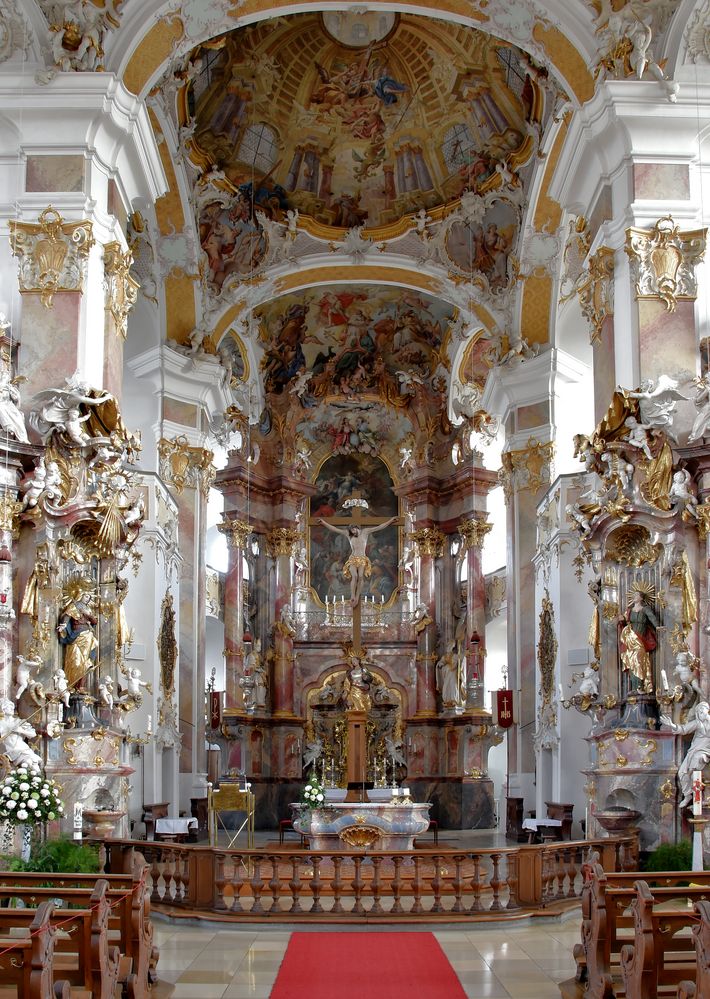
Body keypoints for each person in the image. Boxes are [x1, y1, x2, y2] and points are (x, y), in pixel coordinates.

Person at [318, 515, 397, 606]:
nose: (353, 532)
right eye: (351, 531)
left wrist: (390, 521)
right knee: (354, 576)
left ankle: (357, 596)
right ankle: (353, 596)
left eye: (354, 530)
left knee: (360, 577)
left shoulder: (365, 532)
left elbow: (379, 527)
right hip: (353, 558)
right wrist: (324, 523)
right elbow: (335, 529)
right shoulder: (349, 534)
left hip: (362, 559)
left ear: (357, 528)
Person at [661, 700, 710, 808]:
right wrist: (671, 725)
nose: (700, 713)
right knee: (682, 772)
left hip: (705, 751)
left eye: (702, 711)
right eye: (698, 712)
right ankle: (688, 795)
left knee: (696, 763)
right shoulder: (697, 723)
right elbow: (683, 729)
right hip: (694, 750)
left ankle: (698, 797)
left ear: (707, 710)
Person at [57, 577, 98, 690]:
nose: (88, 599)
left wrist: (88, 615)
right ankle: (71, 684)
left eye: (89, 597)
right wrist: (64, 625)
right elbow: (67, 616)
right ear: (80, 595)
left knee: (86, 661)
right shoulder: (74, 606)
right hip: (76, 635)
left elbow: (95, 621)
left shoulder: (88, 609)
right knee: (75, 660)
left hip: (88, 635)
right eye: (86, 596)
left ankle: (81, 686)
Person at [618, 583, 658, 693]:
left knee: (639, 661)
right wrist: (621, 620)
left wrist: (658, 627)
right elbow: (625, 622)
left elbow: (652, 618)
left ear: (641, 598)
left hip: (640, 640)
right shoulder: (629, 610)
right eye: (633, 595)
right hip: (630, 639)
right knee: (631, 662)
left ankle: (640, 686)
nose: (634, 597)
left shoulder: (645, 609)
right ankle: (635, 688)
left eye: (636, 595)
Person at [437, 642, 464, 708]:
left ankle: (454, 700)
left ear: (452, 647)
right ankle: (447, 700)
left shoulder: (455, 655)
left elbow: (462, 658)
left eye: (449, 646)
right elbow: (440, 663)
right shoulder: (444, 657)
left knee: (453, 686)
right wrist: (441, 664)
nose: (448, 648)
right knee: (446, 686)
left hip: (453, 674)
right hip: (447, 674)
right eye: (447, 646)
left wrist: (463, 654)